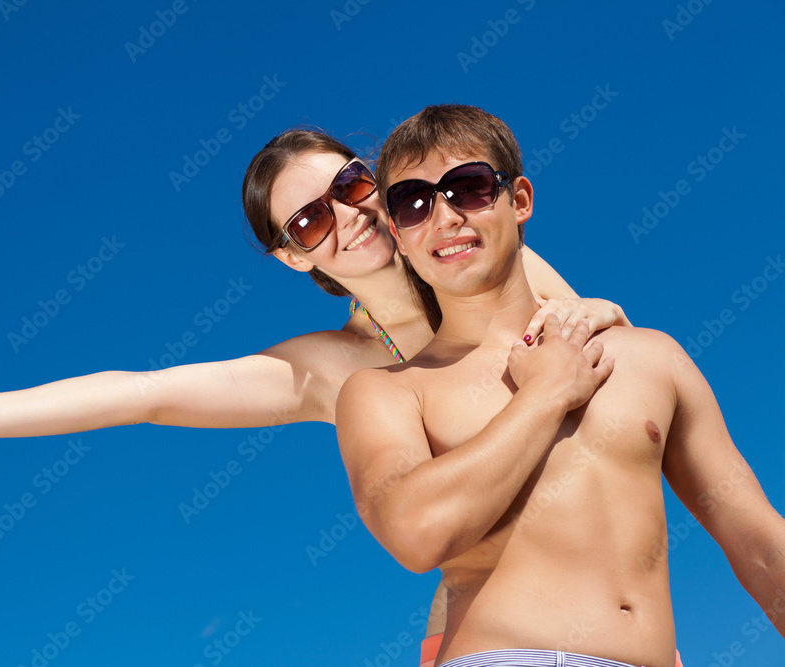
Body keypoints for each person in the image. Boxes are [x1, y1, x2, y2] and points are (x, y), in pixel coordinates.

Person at [0, 129, 628, 665]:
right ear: (290, 258)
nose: (345, 217)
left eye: (350, 185)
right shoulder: (337, 368)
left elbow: (599, 337)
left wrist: (599, 311)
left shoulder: (486, 261)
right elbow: (141, 394)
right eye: (308, 223)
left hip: (618, 614)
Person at [336, 104, 784, 667]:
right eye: (414, 202)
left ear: (519, 199)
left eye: (467, 187)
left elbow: (758, 541)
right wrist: (546, 395)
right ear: (399, 235)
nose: (445, 217)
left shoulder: (650, 356)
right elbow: (417, 532)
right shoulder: (389, 391)